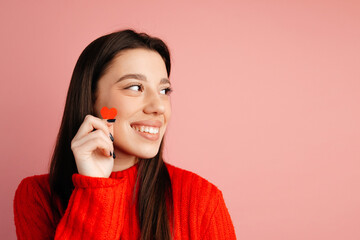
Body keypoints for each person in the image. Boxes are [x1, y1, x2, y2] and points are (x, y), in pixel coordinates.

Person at [13, 29, 236, 240]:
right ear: (92, 98)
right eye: (135, 87)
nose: (158, 106)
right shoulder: (37, 197)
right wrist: (94, 188)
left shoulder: (201, 199)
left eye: (164, 90)